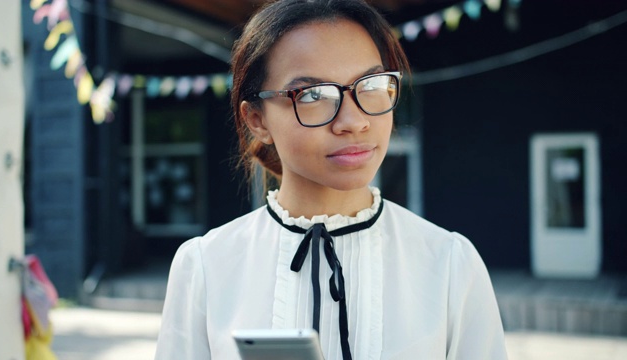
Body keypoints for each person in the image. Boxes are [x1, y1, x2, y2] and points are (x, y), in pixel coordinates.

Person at [155, 0, 508, 359]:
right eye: (313, 95)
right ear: (258, 120)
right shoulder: (205, 265)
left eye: (371, 85)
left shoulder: (449, 264)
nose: (353, 121)